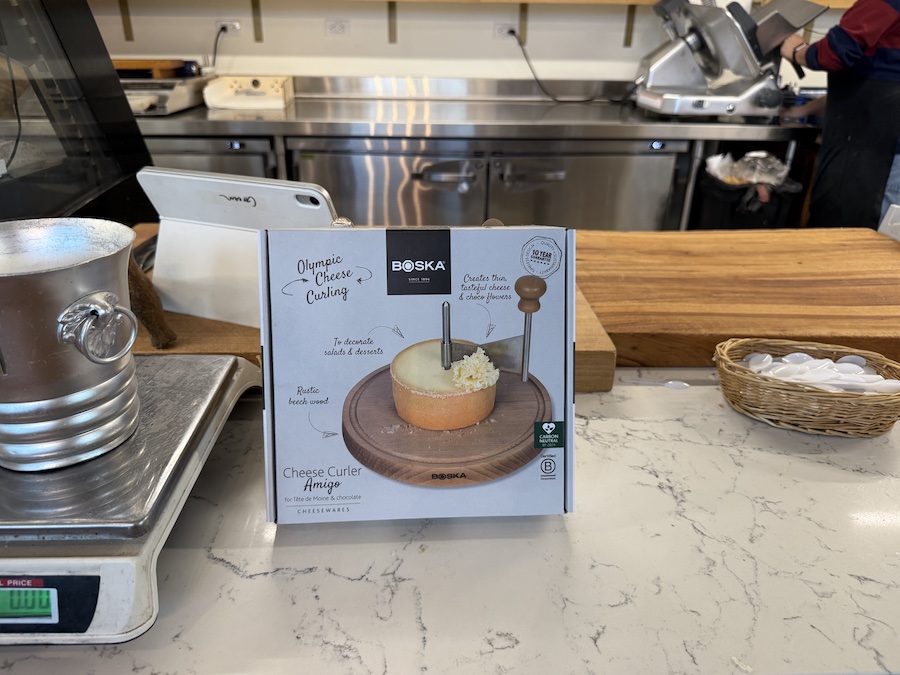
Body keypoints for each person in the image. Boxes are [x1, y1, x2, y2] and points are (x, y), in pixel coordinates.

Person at [780, 3, 900, 229]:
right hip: (876, 147)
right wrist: (803, 110)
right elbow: (873, 78)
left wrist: (797, 51)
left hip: (878, 162)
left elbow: (836, 52)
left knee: (855, 242)